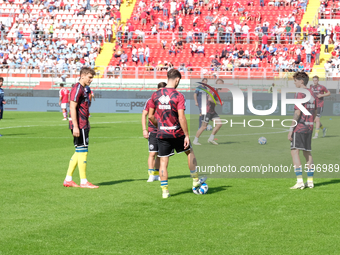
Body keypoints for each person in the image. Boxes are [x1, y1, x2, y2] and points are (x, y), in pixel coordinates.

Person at [148, 69, 206, 198]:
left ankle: (165, 191)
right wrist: (186, 135)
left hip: (162, 133)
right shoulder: (178, 95)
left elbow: (150, 116)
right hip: (177, 132)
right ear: (177, 79)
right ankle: (195, 180)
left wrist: (160, 126)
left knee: (163, 161)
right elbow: (181, 117)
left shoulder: (155, 95)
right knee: (189, 152)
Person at [63, 67, 98, 189]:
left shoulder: (83, 89)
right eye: (90, 77)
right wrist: (76, 126)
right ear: (82, 76)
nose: (91, 80)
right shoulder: (77, 88)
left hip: (83, 123)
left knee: (79, 151)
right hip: (80, 124)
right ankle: (84, 181)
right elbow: (72, 107)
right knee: (83, 152)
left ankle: (68, 179)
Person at [288, 72, 317, 189]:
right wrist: (310, 123)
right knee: (307, 152)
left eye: (295, 80)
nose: (294, 82)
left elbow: (297, 112)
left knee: (294, 151)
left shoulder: (300, 93)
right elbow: (314, 112)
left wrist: (291, 129)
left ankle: (299, 181)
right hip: (309, 126)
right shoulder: (312, 93)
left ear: (301, 81)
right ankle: (310, 181)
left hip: (300, 126)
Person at [142, 82, 167, 182]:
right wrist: (144, 129)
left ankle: (156, 174)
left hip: (163, 130)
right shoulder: (150, 100)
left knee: (160, 154)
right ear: (157, 90)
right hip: (152, 130)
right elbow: (144, 115)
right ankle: (151, 174)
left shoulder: (167, 100)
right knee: (152, 153)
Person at [193, 79, 224, 145]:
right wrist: (219, 103)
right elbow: (210, 99)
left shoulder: (215, 90)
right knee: (204, 126)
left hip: (212, 111)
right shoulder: (214, 90)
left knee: (219, 124)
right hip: (207, 111)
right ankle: (195, 140)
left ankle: (211, 139)